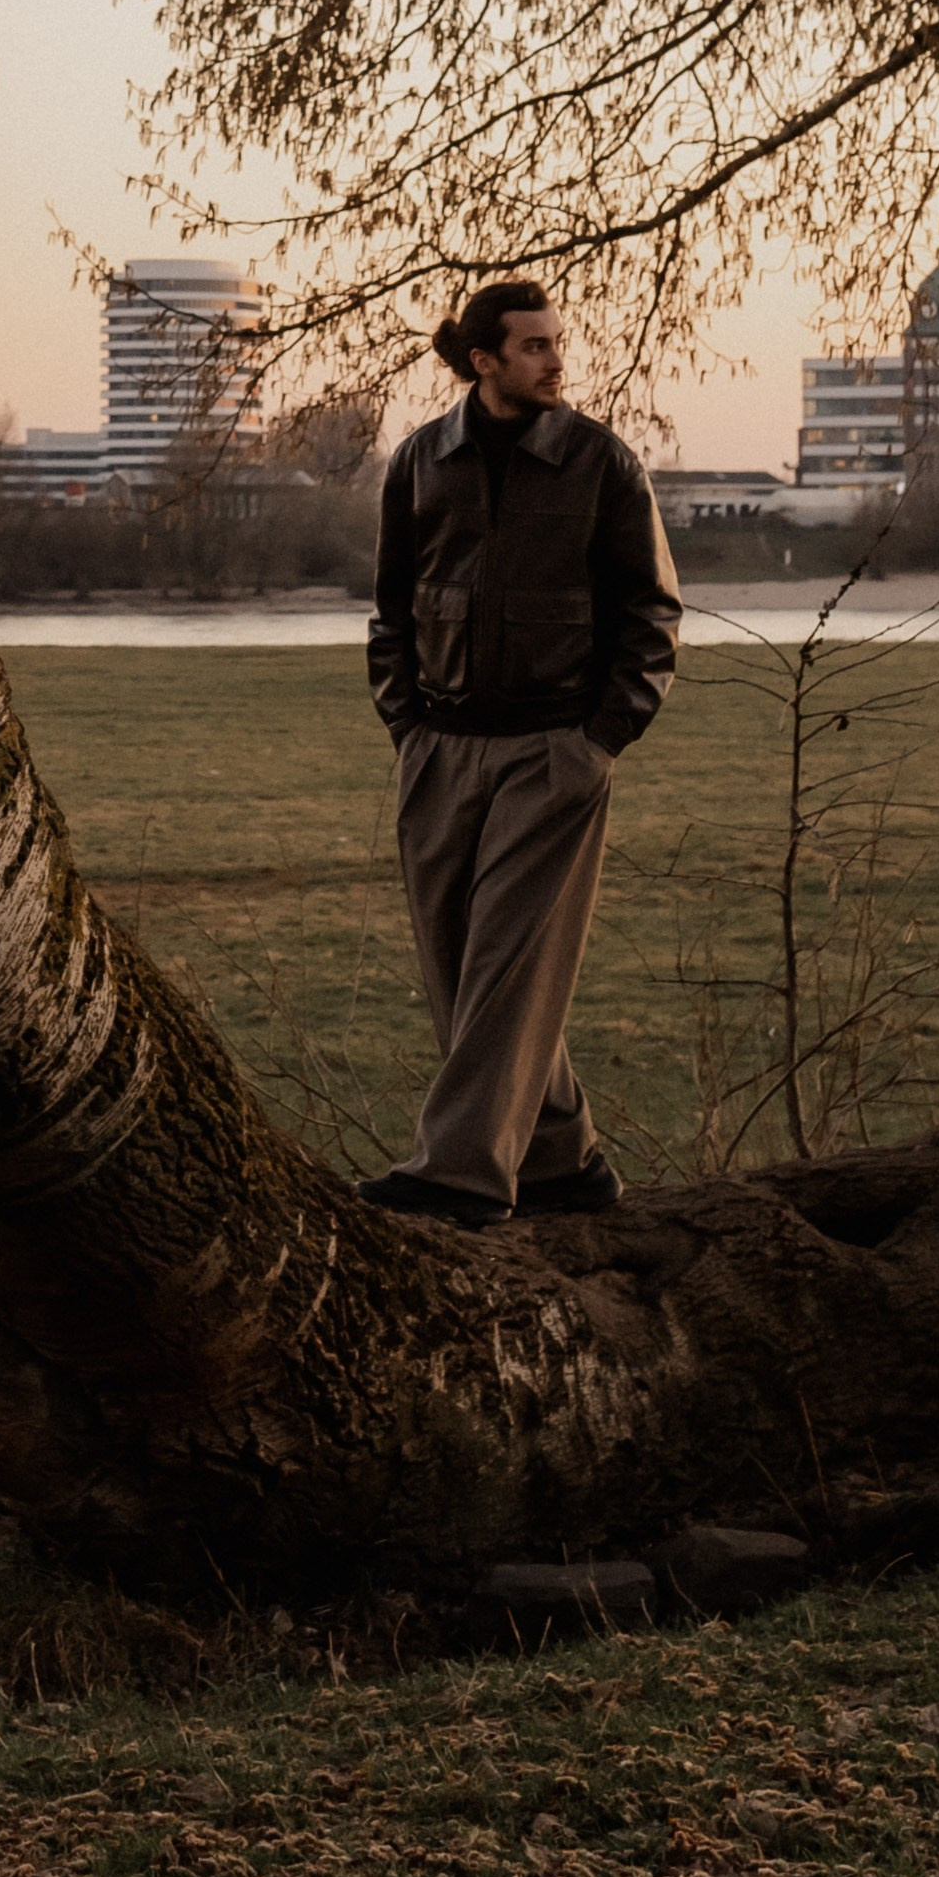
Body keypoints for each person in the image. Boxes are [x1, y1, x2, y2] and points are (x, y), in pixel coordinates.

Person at [361, 284, 680, 1230]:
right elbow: (390, 609)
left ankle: (456, 1176)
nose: (555, 360)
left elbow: (652, 615)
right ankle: (559, 1162)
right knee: (462, 969)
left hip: (553, 753)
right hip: (441, 748)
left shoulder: (599, 463)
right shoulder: (421, 461)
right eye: (533, 346)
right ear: (480, 360)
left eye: (558, 342)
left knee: (507, 955)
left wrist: (598, 742)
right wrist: (407, 727)